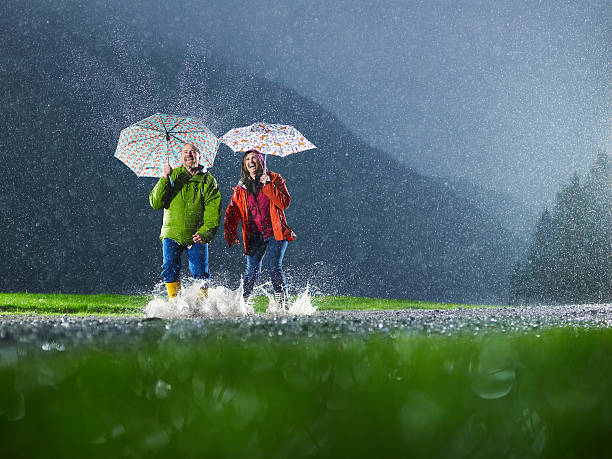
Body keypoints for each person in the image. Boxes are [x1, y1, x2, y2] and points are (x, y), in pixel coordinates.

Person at [224, 149, 295, 309]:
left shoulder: (275, 178)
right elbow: (232, 213)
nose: (251, 161)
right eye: (248, 159)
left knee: (274, 267)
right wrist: (231, 232)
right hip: (254, 237)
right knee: (251, 272)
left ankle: (283, 304)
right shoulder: (241, 188)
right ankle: (242, 305)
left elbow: (284, 203)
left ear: (261, 161)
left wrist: (268, 184)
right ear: (245, 165)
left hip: (275, 233)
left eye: (254, 158)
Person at [149, 143, 221, 299]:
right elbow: (156, 203)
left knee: (200, 272)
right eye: (185, 152)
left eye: (192, 152)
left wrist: (205, 232)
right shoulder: (172, 175)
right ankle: (175, 304)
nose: (188, 155)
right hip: (172, 232)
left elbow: (213, 211)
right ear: (181, 155)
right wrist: (164, 179)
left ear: (199, 156)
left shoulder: (208, 181)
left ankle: (203, 307)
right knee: (169, 269)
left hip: (197, 235)